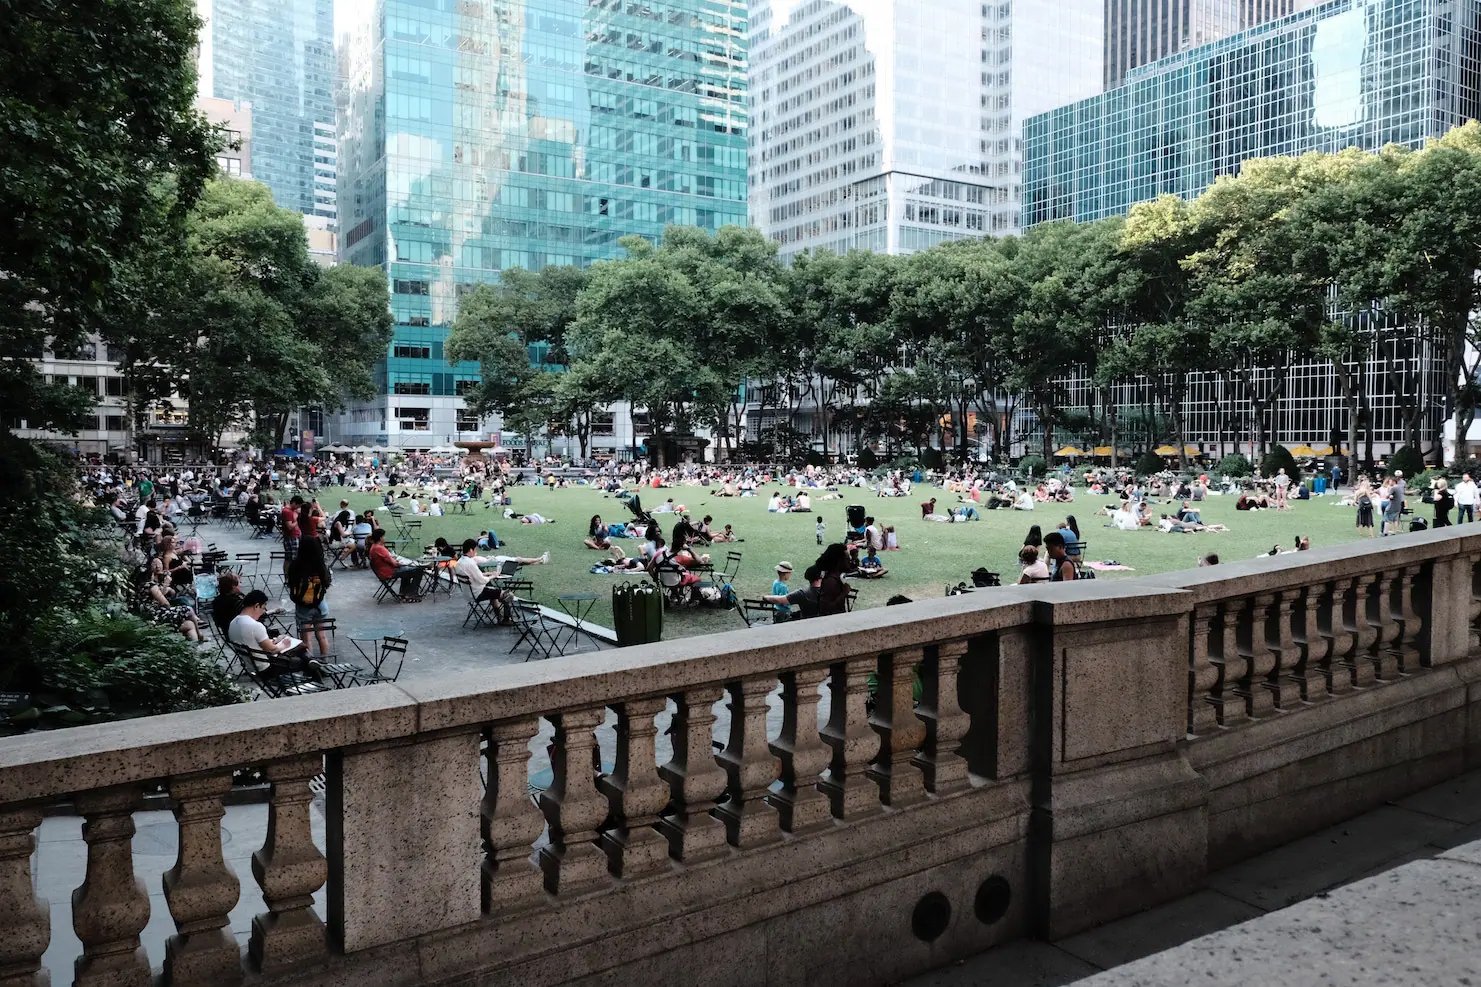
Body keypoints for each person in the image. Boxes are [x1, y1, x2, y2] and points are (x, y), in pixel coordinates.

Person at [228, 590, 316, 677]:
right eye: (263, 608)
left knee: (298, 647)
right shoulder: (255, 625)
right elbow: (272, 650)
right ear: (256, 606)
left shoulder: (233, 623)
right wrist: (284, 645)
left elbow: (253, 643)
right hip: (267, 668)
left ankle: (316, 664)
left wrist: (273, 641)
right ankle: (317, 671)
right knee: (301, 653)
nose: (263, 612)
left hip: (252, 666)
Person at [286, 537, 333, 657]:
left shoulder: (295, 565)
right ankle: (324, 660)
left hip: (303, 605)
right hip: (320, 604)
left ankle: (310, 664)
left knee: (306, 639)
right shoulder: (321, 565)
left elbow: (290, 583)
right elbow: (327, 583)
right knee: (321, 635)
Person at [456, 539, 514, 622]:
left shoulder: (459, 562)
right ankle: (506, 620)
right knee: (508, 594)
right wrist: (493, 576)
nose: (476, 551)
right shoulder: (470, 563)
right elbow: (482, 581)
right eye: (475, 549)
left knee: (493, 591)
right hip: (477, 593)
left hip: (467, 593)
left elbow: (471, 575)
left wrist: (487, 573)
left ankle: (499, 617)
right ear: (471, 550)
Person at [367, 528, 425, 598]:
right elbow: (394, 564)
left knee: (407, 570)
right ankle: (412, 593)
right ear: (380, 538)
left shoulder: (374, 547)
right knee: (419, 570)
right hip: (388, 572)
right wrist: (399, 563)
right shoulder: (379, 548)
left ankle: (403, 591)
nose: (385, 538)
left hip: (383, 571)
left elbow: (388, 560)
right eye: (384, 536)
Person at [814, 544, 851, 616]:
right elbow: (825, 609)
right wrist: (844, 593)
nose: (850, 560)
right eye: (847, 558)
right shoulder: (831, 581)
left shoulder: (836, 578)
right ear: (839, 561)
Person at [211, 571, 246, 637]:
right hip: (241, 635)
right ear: (233, 586)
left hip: (227, 633)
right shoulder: (236, 602)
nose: (241, 585)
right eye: (239, 583)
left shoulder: (217, 601)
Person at [1384, 471, 1407, 536]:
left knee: (1387, 518)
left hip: (1392, 506)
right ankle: (1394, 531)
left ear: (1393, 481)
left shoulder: (1393, 488)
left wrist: (1388, 494)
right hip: (1398, 505)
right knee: (1395, 519)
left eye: (1390, 481)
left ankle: (1386, 532)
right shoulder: (1399, 488)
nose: (1389, 482)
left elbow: (1387, 496)